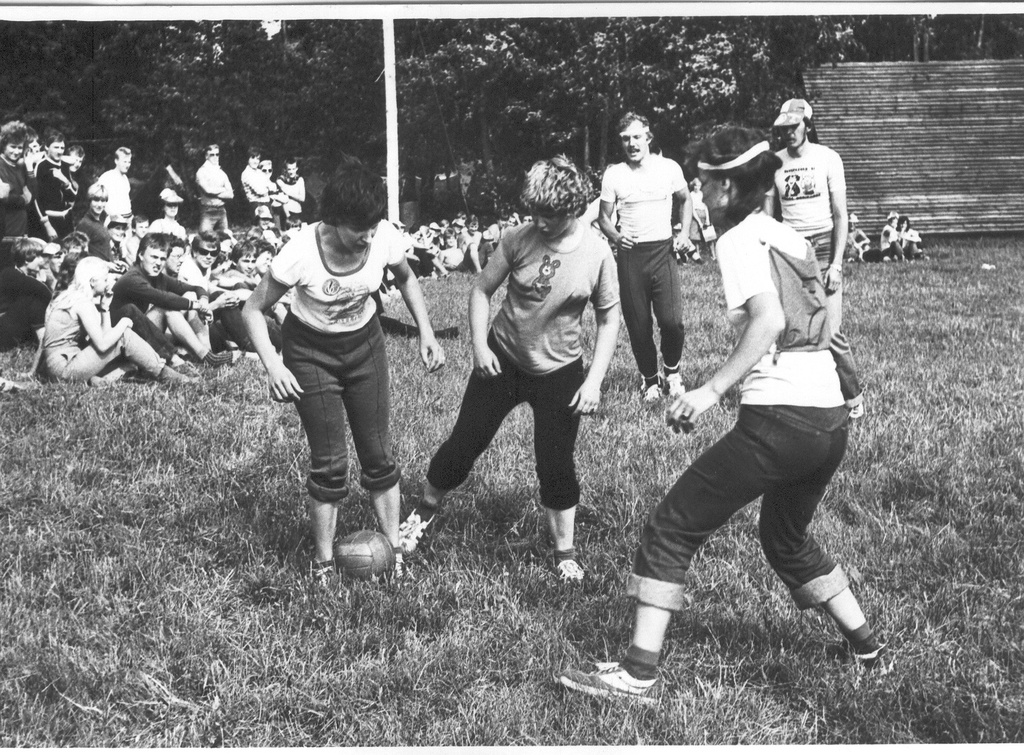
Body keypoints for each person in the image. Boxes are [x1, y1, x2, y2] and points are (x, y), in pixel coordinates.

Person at [558, 127, 885, 705]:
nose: (699, 193)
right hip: (828, 421)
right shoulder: (791, 237)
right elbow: (826, 330)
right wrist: (851, 393)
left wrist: (708, 391)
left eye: (704, 182)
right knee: (786, 539)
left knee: (671, 527)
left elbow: (769, 323)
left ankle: (637, 677)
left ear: (729, 186)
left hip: (780, 422)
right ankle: (868, 648)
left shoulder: (739, 240)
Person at [399, 155, 621, 583]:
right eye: (534, 211)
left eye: (550, 214)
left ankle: (564, 552)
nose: (539, 221)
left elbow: (609, 318)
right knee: (464, 444)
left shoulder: (596, 253)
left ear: (574, 208)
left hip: (560, 371)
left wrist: (594, 380)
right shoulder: (518, 238)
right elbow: (481, 290)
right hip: (501, 361)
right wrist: (480, 347)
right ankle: (422, 514)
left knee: (555, 463)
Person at [241, 156, 446, 584]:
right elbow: (252, 310)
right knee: (330, 461)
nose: (368, 239)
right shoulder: (300, 252)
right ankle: (322, 564)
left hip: (364, 346)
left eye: (374, 229)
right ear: (334, 221)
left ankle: (393, 553)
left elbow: (407, 278)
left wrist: (426, 331)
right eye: (359, 231)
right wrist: (273, 364)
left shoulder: (382, 236)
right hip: (310, 353)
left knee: (378, 455)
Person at [767, 98, 863, 416]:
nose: (789, 133)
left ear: (807, 125)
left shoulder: (828, 158)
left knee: (830, 332)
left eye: (794, 126)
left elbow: (841, 216)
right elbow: (769, 218)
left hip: (823, 248)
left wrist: (836, 264)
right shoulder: (774, 163)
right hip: (790, 250)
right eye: (784, 128)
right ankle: (797, 397)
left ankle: (853, 399)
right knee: (793, 330)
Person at [599, 112, 694, 402]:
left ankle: (672, 373)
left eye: (637, 137)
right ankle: (650, 381)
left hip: (663, 252)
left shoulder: (669, 168)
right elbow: (604, 218)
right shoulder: (615, 174)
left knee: (672, 321)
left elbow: (685, 199)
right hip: (631, 257)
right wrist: (616, 237)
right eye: (626, 138)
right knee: (639, 326)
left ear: (648, 138)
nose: (632, 143)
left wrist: (685, 233)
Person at [40, 256, 192, 385]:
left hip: (56, 367)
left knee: (125, 348)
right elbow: (102, 344)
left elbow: (103, 336)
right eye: (105, 279)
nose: (108, 283)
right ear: (93, 281)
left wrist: (105, 309)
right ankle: (164, 373)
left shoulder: (70, 295)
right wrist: (124, 323)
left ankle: (104, 377)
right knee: (124, 335)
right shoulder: (83, 304)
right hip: (65, 370)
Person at [110, 232, 233, 368]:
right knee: (166, 308)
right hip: (121, 341)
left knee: (190, 295)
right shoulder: (131, 278)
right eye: (154, 257)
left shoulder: (156, 277)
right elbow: (163, 299)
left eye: (162, 259)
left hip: (144, 332)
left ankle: (206, 352)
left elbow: (196, 288)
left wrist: (203, 301)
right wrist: (197, 306)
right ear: (140, 255)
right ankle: (204, 356)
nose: (158, 263)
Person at [0, 237, 50, 351]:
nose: (42, 260)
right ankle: (45, 345)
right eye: (38, 256)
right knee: (33, 302)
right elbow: (45, 293)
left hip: (9, 325)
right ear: (27, 258)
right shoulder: (10, 274)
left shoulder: (22, 275)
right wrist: (42, 280)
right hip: (2, 328)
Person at [32, 129, 75, 241]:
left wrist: (65, 180)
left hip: (66, 221)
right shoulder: (41, 166)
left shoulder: (65, 165)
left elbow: (72, 197)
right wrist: (47, 225)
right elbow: (36, 199)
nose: (59, 151)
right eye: (56, 147)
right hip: (50, 221)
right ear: (47, 147)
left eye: (62, 148)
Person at [0, 121, 33, 247]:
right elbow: (3, 198)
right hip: (5, 231)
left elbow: (33, 195)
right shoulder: (1, 165)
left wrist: (29, 167)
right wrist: (23, 199)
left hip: (21, 230)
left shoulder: (19, 166)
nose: (16, 151)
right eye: (13, 147)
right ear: (4, 145)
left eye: (20, 147)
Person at [195, 143, 234, 235]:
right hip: (208, 211)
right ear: (206, 156)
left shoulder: (222, 173)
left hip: (222, 210)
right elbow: (208, 190)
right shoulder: (201, 172)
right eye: (212, 155)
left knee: (224, 239)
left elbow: (231, 194)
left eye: (217, 154)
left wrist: (214, 192)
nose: (215, 157)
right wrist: (223, 190)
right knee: (204, 239)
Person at [96, 147, 133, 221]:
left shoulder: (125, 178)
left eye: (129, 162)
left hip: (128, 219)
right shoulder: (107, 177)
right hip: (114, 220)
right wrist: (112, 216)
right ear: (116, 161)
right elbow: (99, 198)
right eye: (124, 162)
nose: (127, 165)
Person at [687, 177, 717, 262]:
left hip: (703, 213)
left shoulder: (701, 194)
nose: (697, 187)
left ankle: (713, 255)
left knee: (710, 235)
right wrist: (699, 222)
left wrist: (707, 218)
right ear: (693, 186)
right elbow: (692, 209)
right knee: (696, 237)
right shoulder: (691, 195)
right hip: (696, 215)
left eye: (699, 186)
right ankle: (698, 255)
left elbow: (705, 206)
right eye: (696, 186)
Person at [276, 158, 306, 225]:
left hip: (297, 211)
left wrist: (287, 193)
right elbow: (282, 198)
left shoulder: (300, 180)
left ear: (296, 168)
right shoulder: (280, 180)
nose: (292, 171)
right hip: (286, 212)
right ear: (285, 169)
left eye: (293, 169)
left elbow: (302, 198)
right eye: (289, 169)